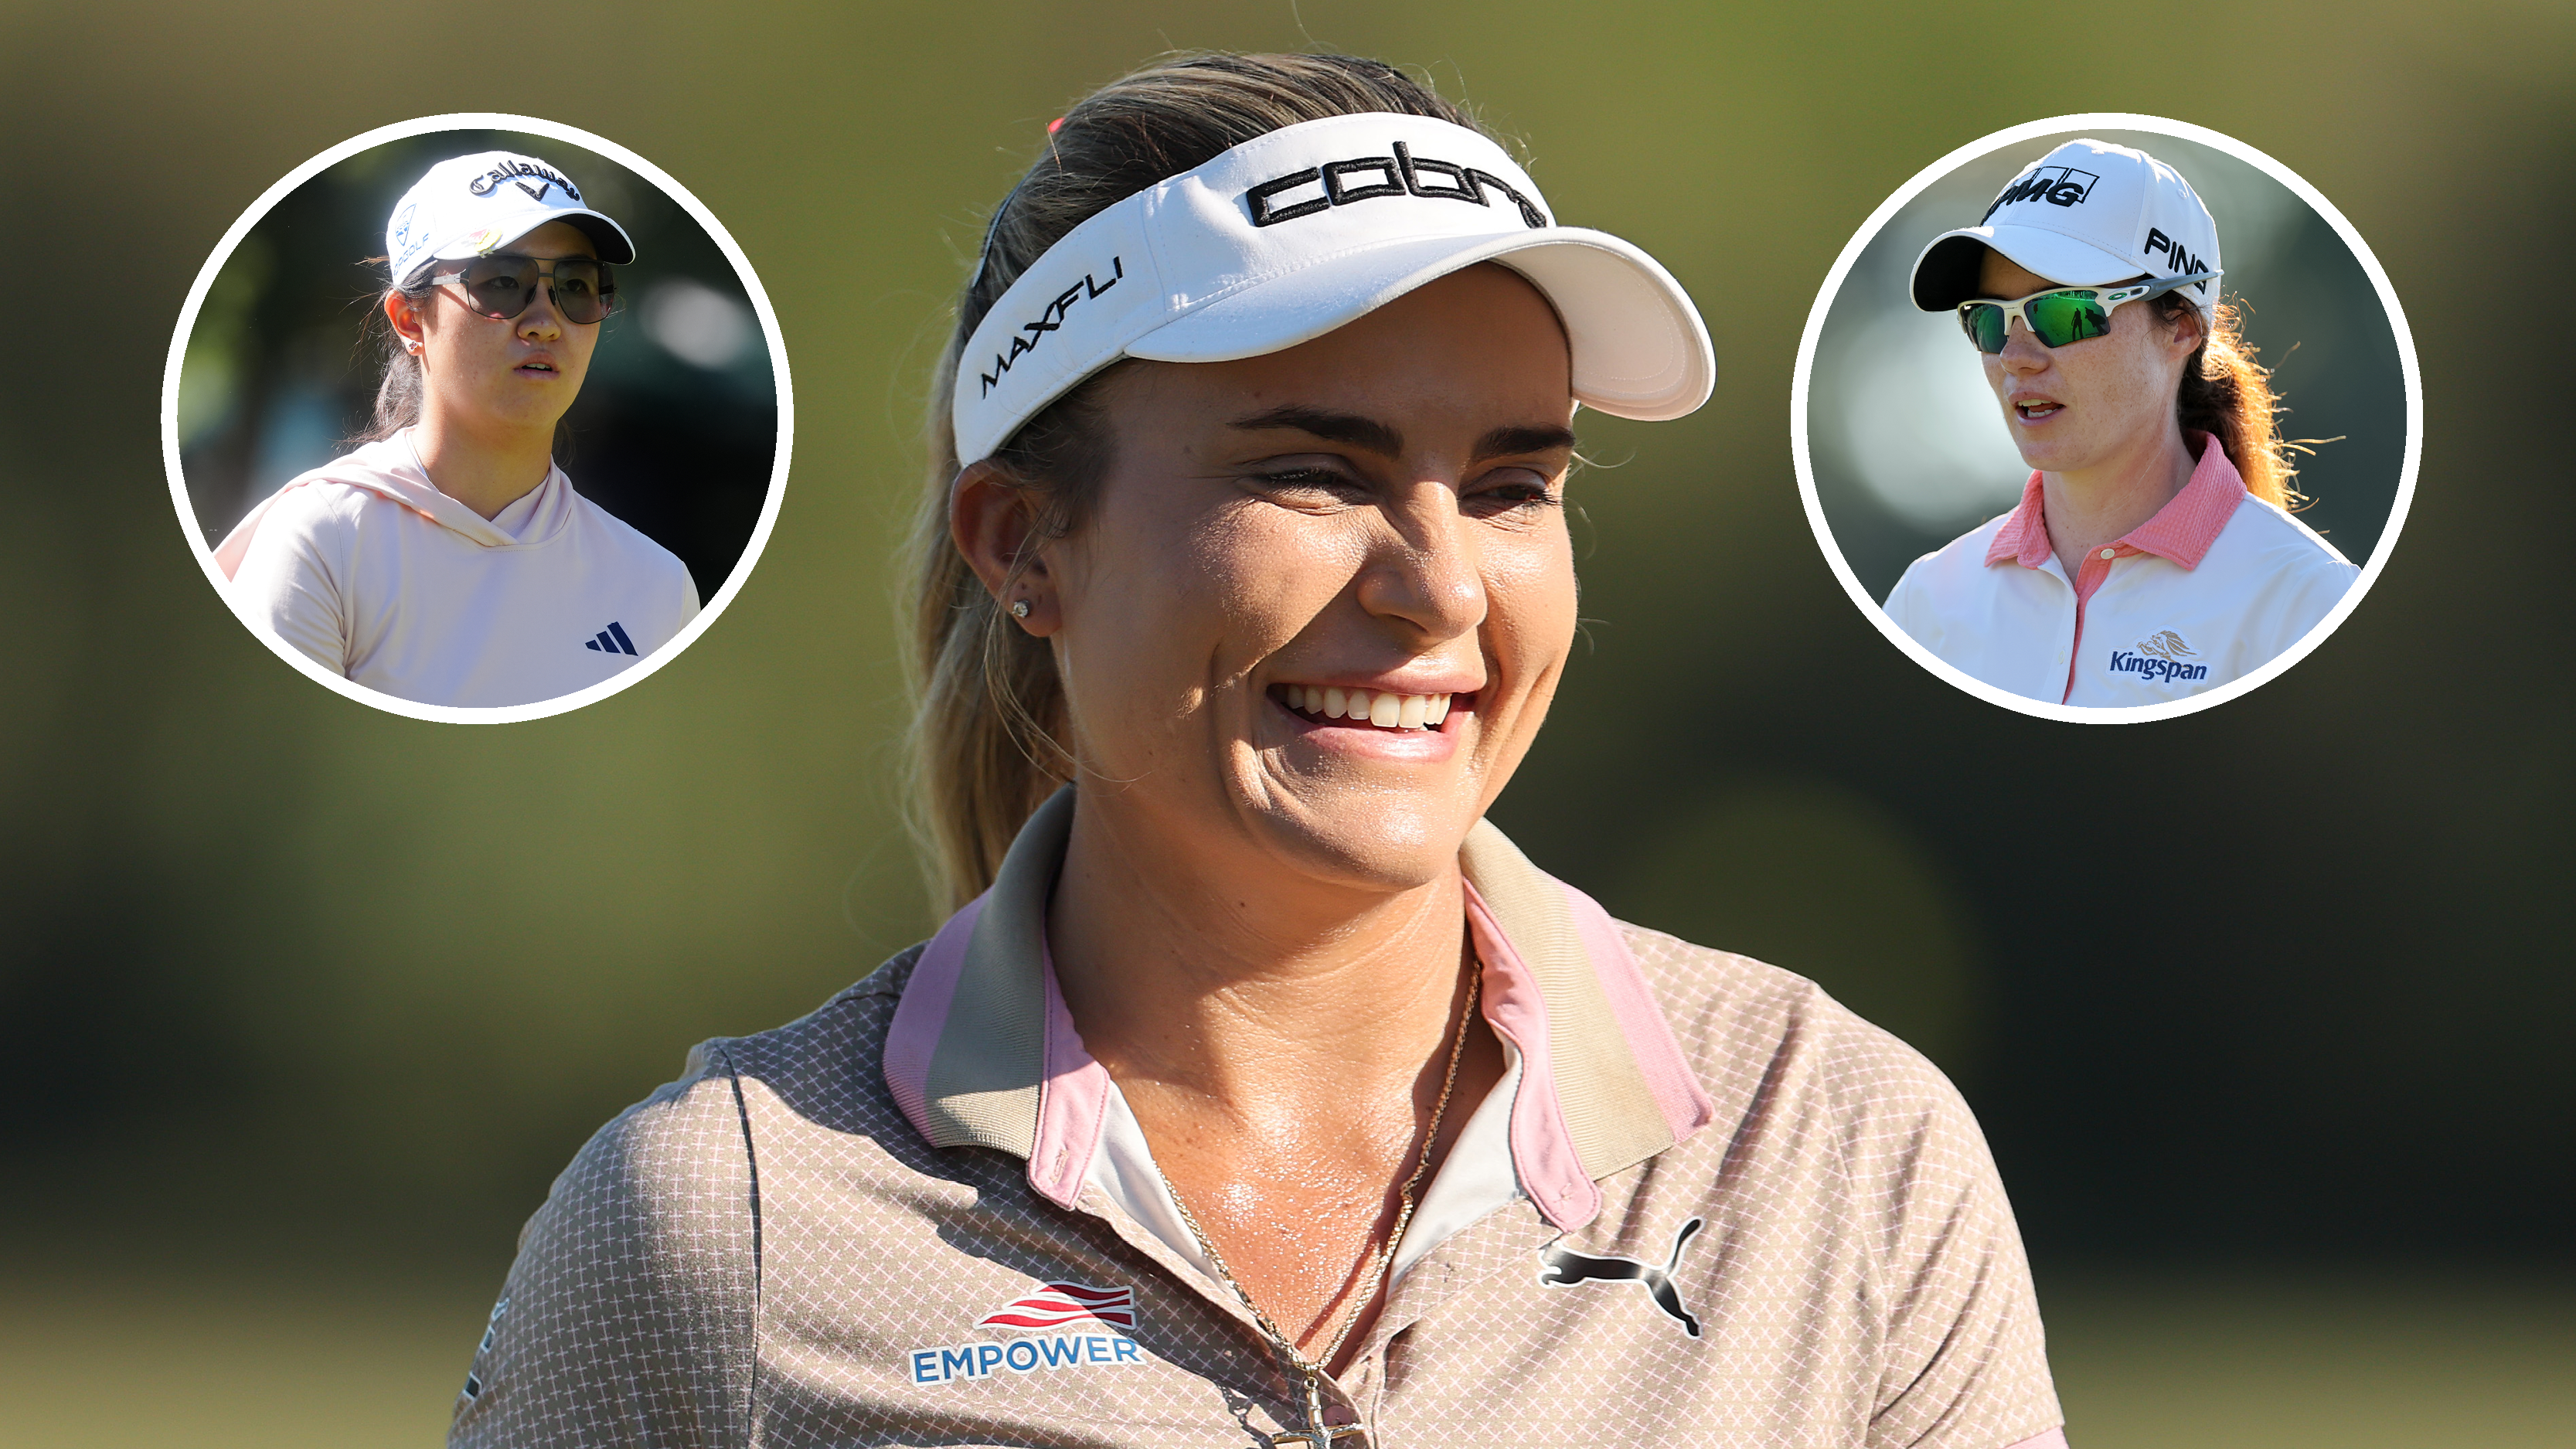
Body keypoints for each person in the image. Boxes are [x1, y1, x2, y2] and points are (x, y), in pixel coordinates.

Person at [450, 54, 2067, 1449]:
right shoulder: (721, 1219)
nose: (1437, 585)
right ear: (1025, 545)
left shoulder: (1834, 1148)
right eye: (1310, 469)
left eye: (1511, 484)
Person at [214, 149, 699, 709]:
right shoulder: (326, 542)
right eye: (500, 282)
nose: (544, 322)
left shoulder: (657, 587)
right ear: (409, 320)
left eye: (575, 285)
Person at [1884, 139, 2357, 709]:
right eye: (1987, 320)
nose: (2014, 356)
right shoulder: (1925, 604)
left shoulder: (2307, 603)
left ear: (2181, 327)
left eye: (2064, 312)